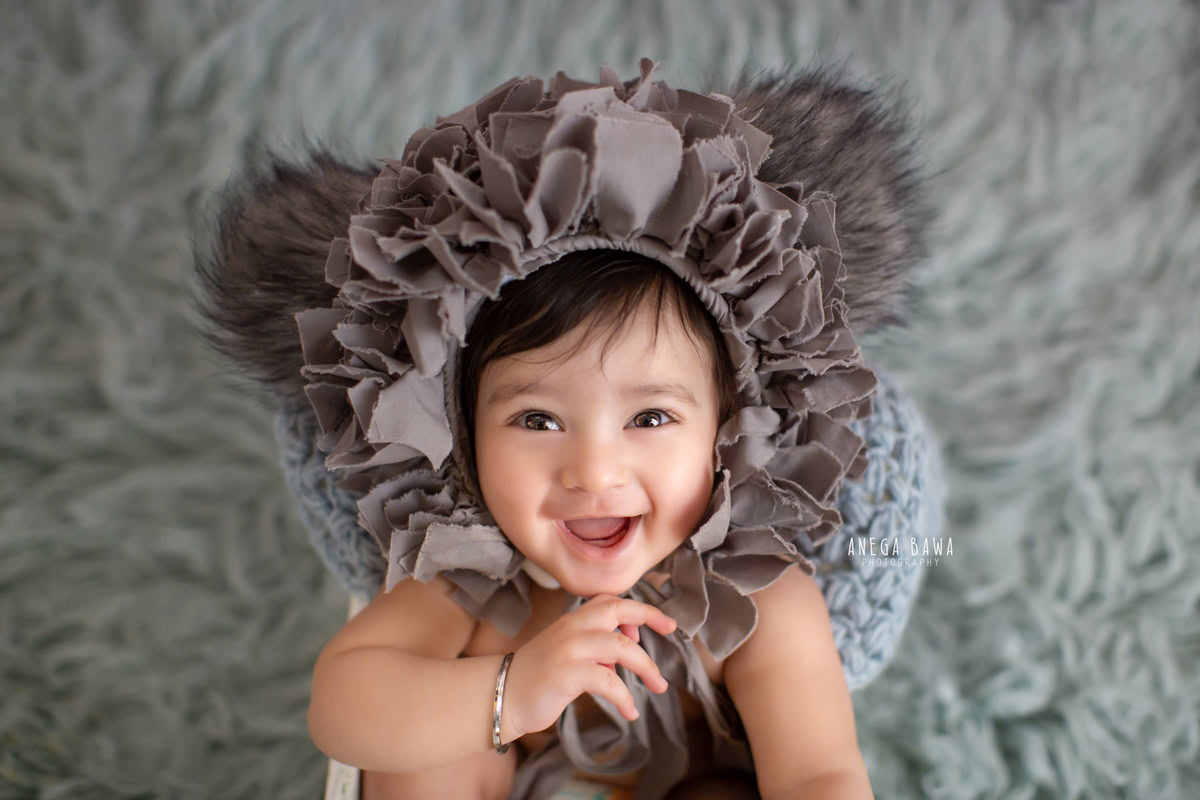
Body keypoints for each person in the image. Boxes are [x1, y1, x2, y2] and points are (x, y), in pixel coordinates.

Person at [192, 56, 931, 800]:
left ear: (729, 431)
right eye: (538, 419)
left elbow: (819, 772)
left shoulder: (760, 599)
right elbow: (341, 711)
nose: (593, 472)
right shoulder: (465, 579)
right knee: (423, 750)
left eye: (649, 416)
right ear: (460, 433)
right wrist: (510, 693)